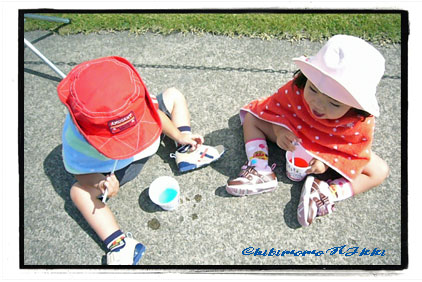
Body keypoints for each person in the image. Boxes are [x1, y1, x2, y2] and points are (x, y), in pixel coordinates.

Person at [57, 56, 224, 265]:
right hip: (120, 168)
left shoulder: (134, 100)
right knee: (78, 192)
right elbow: (79, 172)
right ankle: (118, 243)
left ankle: (184, 149)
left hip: (148, 140)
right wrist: (100, 183)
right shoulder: (77, 139)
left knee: (173, 95)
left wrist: (179, 135)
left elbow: (155, 114)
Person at [225, 35, 389, 227]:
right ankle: (260, 167)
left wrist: (326, 163)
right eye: (312, 89)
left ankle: (328, 191)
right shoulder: (297, 86)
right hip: (294, 135)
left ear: (356, 106)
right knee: (252, 117)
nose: (317, 104)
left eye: (334, 103)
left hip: (328, 150)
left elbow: (352, 149)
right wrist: (279, 131)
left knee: (379, 171)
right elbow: (276, 107)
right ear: (306, 78)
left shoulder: (359, 120)